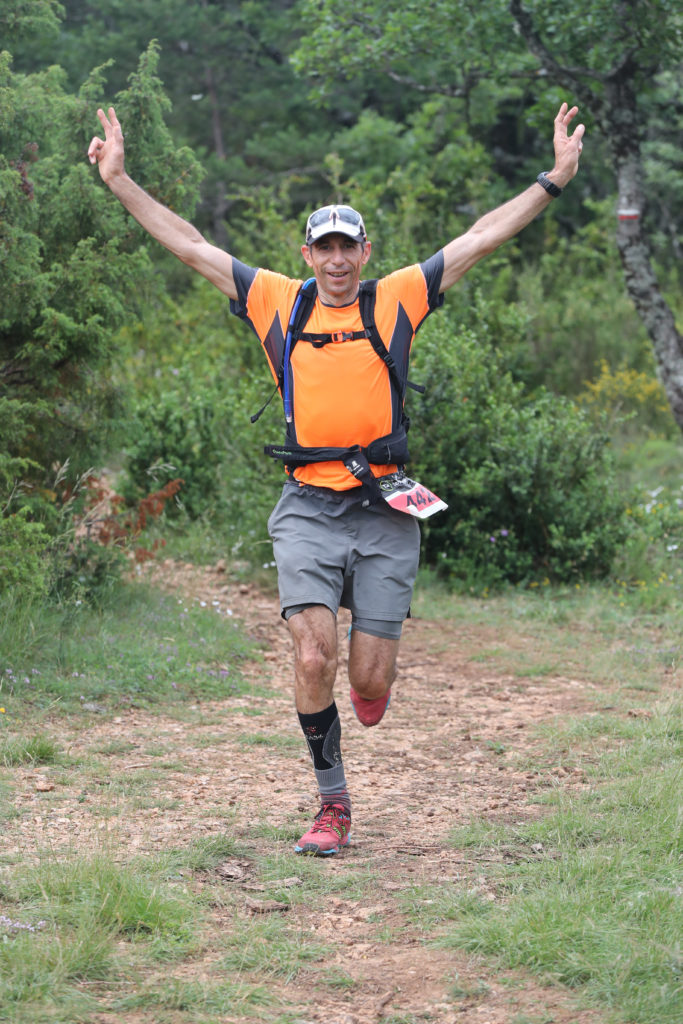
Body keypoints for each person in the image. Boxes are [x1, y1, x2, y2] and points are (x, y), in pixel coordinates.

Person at [88, 102, 584, 856]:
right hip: (307, 507)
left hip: (385, 507)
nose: (336, 261)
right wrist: (119, 180)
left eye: (347, 247)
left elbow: (480, 236)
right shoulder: (274, 302)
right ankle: (332, 805)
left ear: (365, 249)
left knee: (372, 679)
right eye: (323, 248)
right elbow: (188, 243)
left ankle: (368, 684)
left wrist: (552, 178)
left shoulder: (396, 298)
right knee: (310, 655)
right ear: (306, 252)